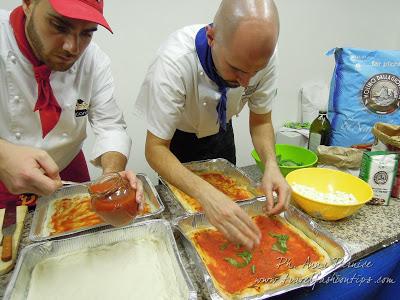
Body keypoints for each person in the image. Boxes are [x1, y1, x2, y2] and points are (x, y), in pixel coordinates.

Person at [136, 0, 291, 249]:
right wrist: (207, 195)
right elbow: (155, 148)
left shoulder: (263, 56)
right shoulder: (173, 62)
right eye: (237, 69)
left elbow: (261, 121)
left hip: (221, 132)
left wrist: (271, 166)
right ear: (211, 37)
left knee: (229, 227)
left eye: (255, 71)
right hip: (176, 146)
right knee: (191, 232)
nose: (245, 82)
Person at [0, 0, 143, 209]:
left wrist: (112, 175)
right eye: (59, 26)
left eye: (86, 33)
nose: (72, 48)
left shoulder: (93, 60)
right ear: (28, 4)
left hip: (66, 167)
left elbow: (110, 126)